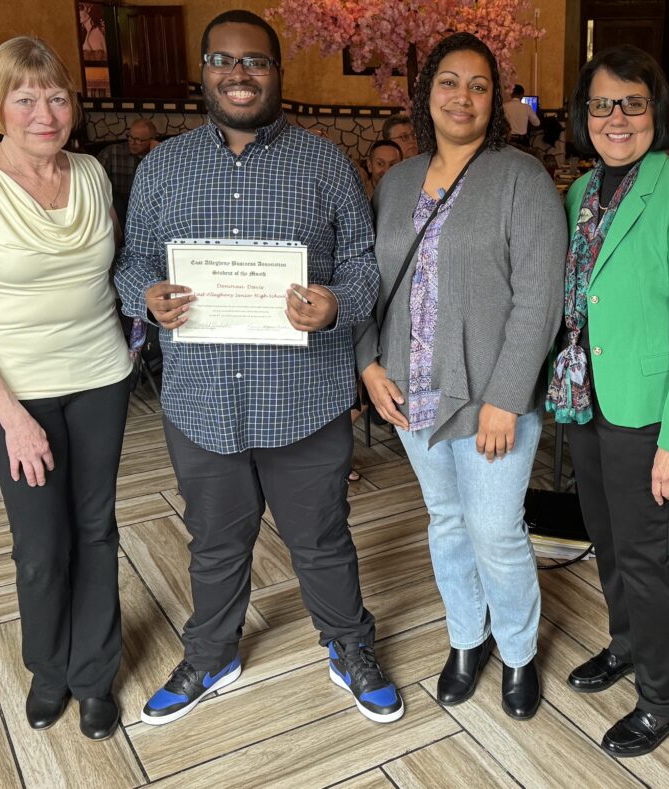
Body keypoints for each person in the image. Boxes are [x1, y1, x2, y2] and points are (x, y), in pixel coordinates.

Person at [115, 10, 403, 726]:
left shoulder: (327, 162)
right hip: (201, 400)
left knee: (322, 538)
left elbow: (363, 266)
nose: (239, 74)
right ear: (203, 73)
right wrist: (146, 297)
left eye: (255, 62)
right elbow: (132, 263)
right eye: (222, 60)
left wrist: (334, 304)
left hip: (302, 397)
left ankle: (349, 645)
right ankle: (211, 652)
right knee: (214, 542)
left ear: (278, 73)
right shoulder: (162, 167)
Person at [357, 32, 566, 721]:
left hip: (489, 397)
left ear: (495, 100)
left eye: (480, 86)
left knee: (496, 528)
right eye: (450, 82)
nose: (464, 97)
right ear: (427, 95)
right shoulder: (396, 179)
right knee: (447, 521)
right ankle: (465, 640)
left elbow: (540, 297)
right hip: (409, 389)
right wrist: (369, 362)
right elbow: (368, 282)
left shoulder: (522, 179)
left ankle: (517, 651)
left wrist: (507, 398)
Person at [0, 37, 132, 741]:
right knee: (42, 542)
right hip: (11, 391)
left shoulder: (93, 176)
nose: (44, 112)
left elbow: (107, 274)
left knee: (96, 528)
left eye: (55, 96)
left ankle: (94, 673)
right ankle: (48, 670)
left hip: (101, 377)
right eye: (25, 97)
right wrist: (12, 417)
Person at [548, 44, 669, 756]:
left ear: (656, 111)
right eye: (602, 104)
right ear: (583, 115)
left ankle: (665, 696)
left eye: (632, 102)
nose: (616, 117)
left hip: (652, 413)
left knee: (648, 558)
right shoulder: (582, 191)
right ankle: (626, 644)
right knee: (611, 542)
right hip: (591, 403)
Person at [97, 117, 158, 223]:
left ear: (151, 140)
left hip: (145, 207)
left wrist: (158, 153)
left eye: (139, 140)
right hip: (115, 206)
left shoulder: (157, 155)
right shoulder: (112, 152)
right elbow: (94, 180)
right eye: (130, 137)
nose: (133, 142)